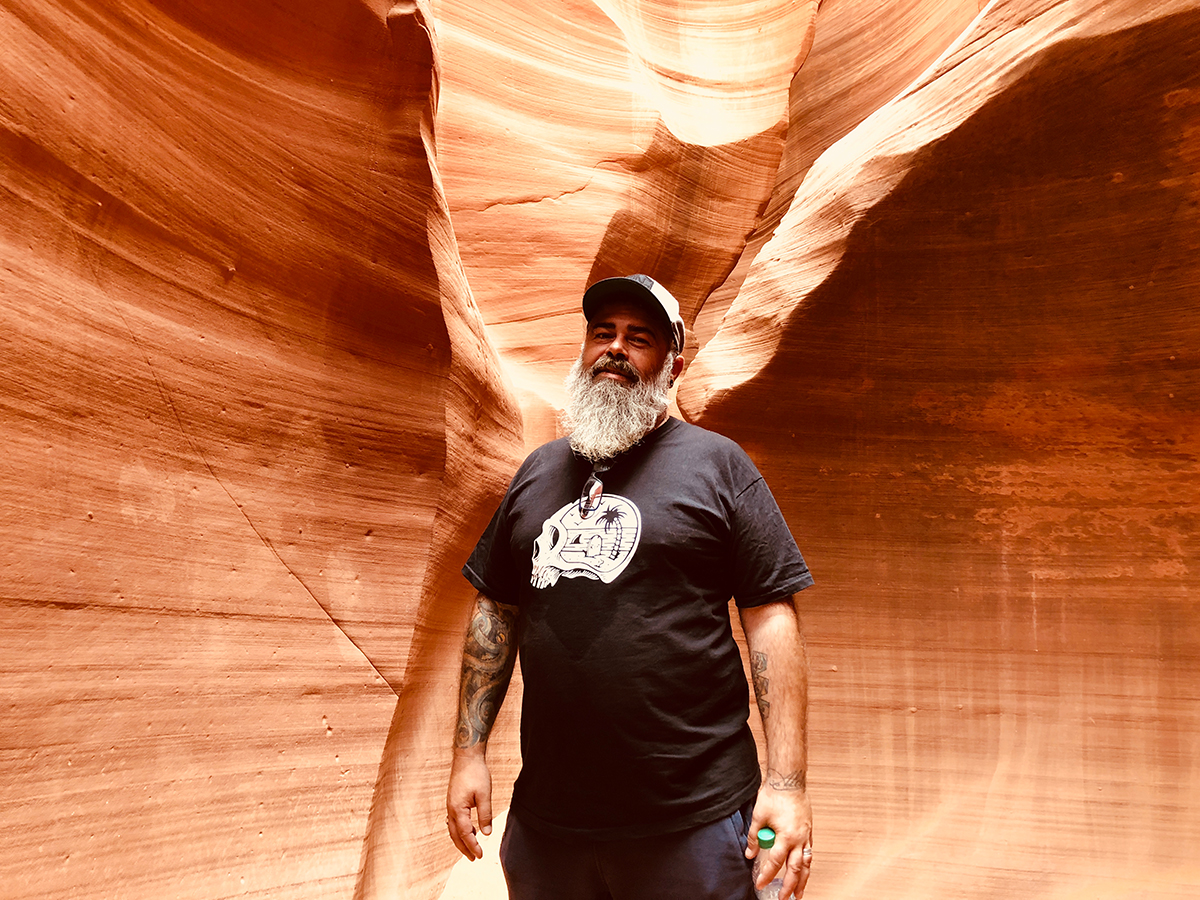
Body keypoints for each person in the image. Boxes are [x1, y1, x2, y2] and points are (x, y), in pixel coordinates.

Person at [446, 274, 815, 900]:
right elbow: (496, 612)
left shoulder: (719, 465)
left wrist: (786, 786)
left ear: (672, 366)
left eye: (639, 338)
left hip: (694, 822)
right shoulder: (538, 471)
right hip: (549, 825)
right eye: (603, 333)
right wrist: (468, 754)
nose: (615, 348)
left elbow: (771, 621)